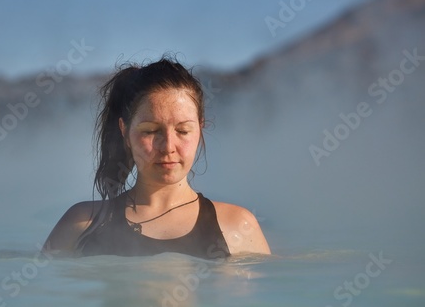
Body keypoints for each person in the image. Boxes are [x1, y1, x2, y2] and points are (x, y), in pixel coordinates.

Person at [43, 57, 270, 259]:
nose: (168, 147)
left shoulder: (237, 225)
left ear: (200, 129)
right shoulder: (82, 223)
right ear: (125, 132)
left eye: (182, 131)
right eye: (150, 131)